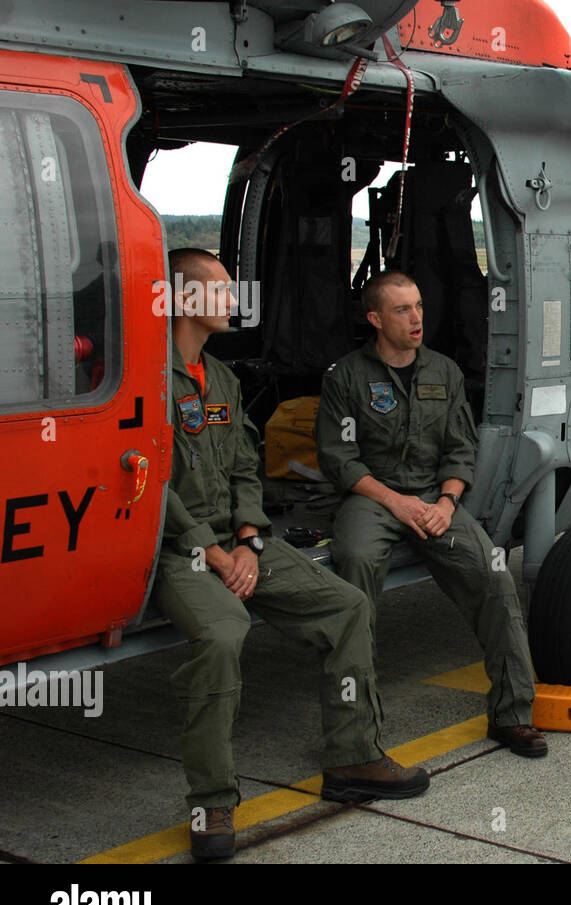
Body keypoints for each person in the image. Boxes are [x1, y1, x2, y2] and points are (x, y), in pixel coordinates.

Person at [155, 249, 429, 861]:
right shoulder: (147, 381)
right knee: (224, 634)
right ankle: (211, 802)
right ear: (183, 299)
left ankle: (354, 756)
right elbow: (152, 485)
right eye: (221, 290)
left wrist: (251, 538)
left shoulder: (220, 379)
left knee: (348, 606)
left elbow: (247, 468)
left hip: (241, 543)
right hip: (176, 552)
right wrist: (214, 553)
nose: (233, 300)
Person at [316, 271, 546, 757]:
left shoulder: (445, 371)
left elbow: (461, 449)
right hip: (373, 497)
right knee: (354, 569)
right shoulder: (346, 377)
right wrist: (395, 502)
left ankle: (513, 715)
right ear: (376, 319)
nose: (416, 317)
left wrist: (446, 502)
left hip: (434, 497)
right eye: (402, 310)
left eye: (419, 306)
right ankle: (355, 737)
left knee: (494, 575)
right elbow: (340, 459)